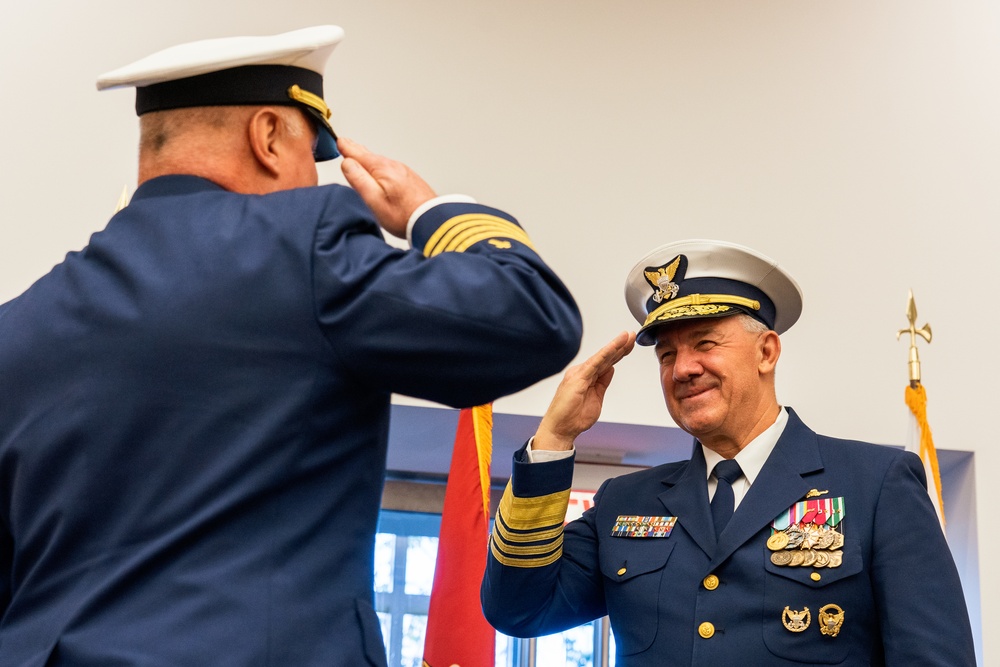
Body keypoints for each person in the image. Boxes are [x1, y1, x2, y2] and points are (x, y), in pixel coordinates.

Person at [0, 26, 582, 667]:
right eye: (315, 152)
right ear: (269, 136)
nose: (314, 176)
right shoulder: (298, 246)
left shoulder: (20, 325)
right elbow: (531, 318)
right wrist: (431, 210)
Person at [482, 239, 976, 665]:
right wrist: (554, 439)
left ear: (766, 352)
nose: (682, 369)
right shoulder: (624, 503)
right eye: (667, 354)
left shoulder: (877, 485)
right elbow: (518, 609)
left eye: (705, 343)